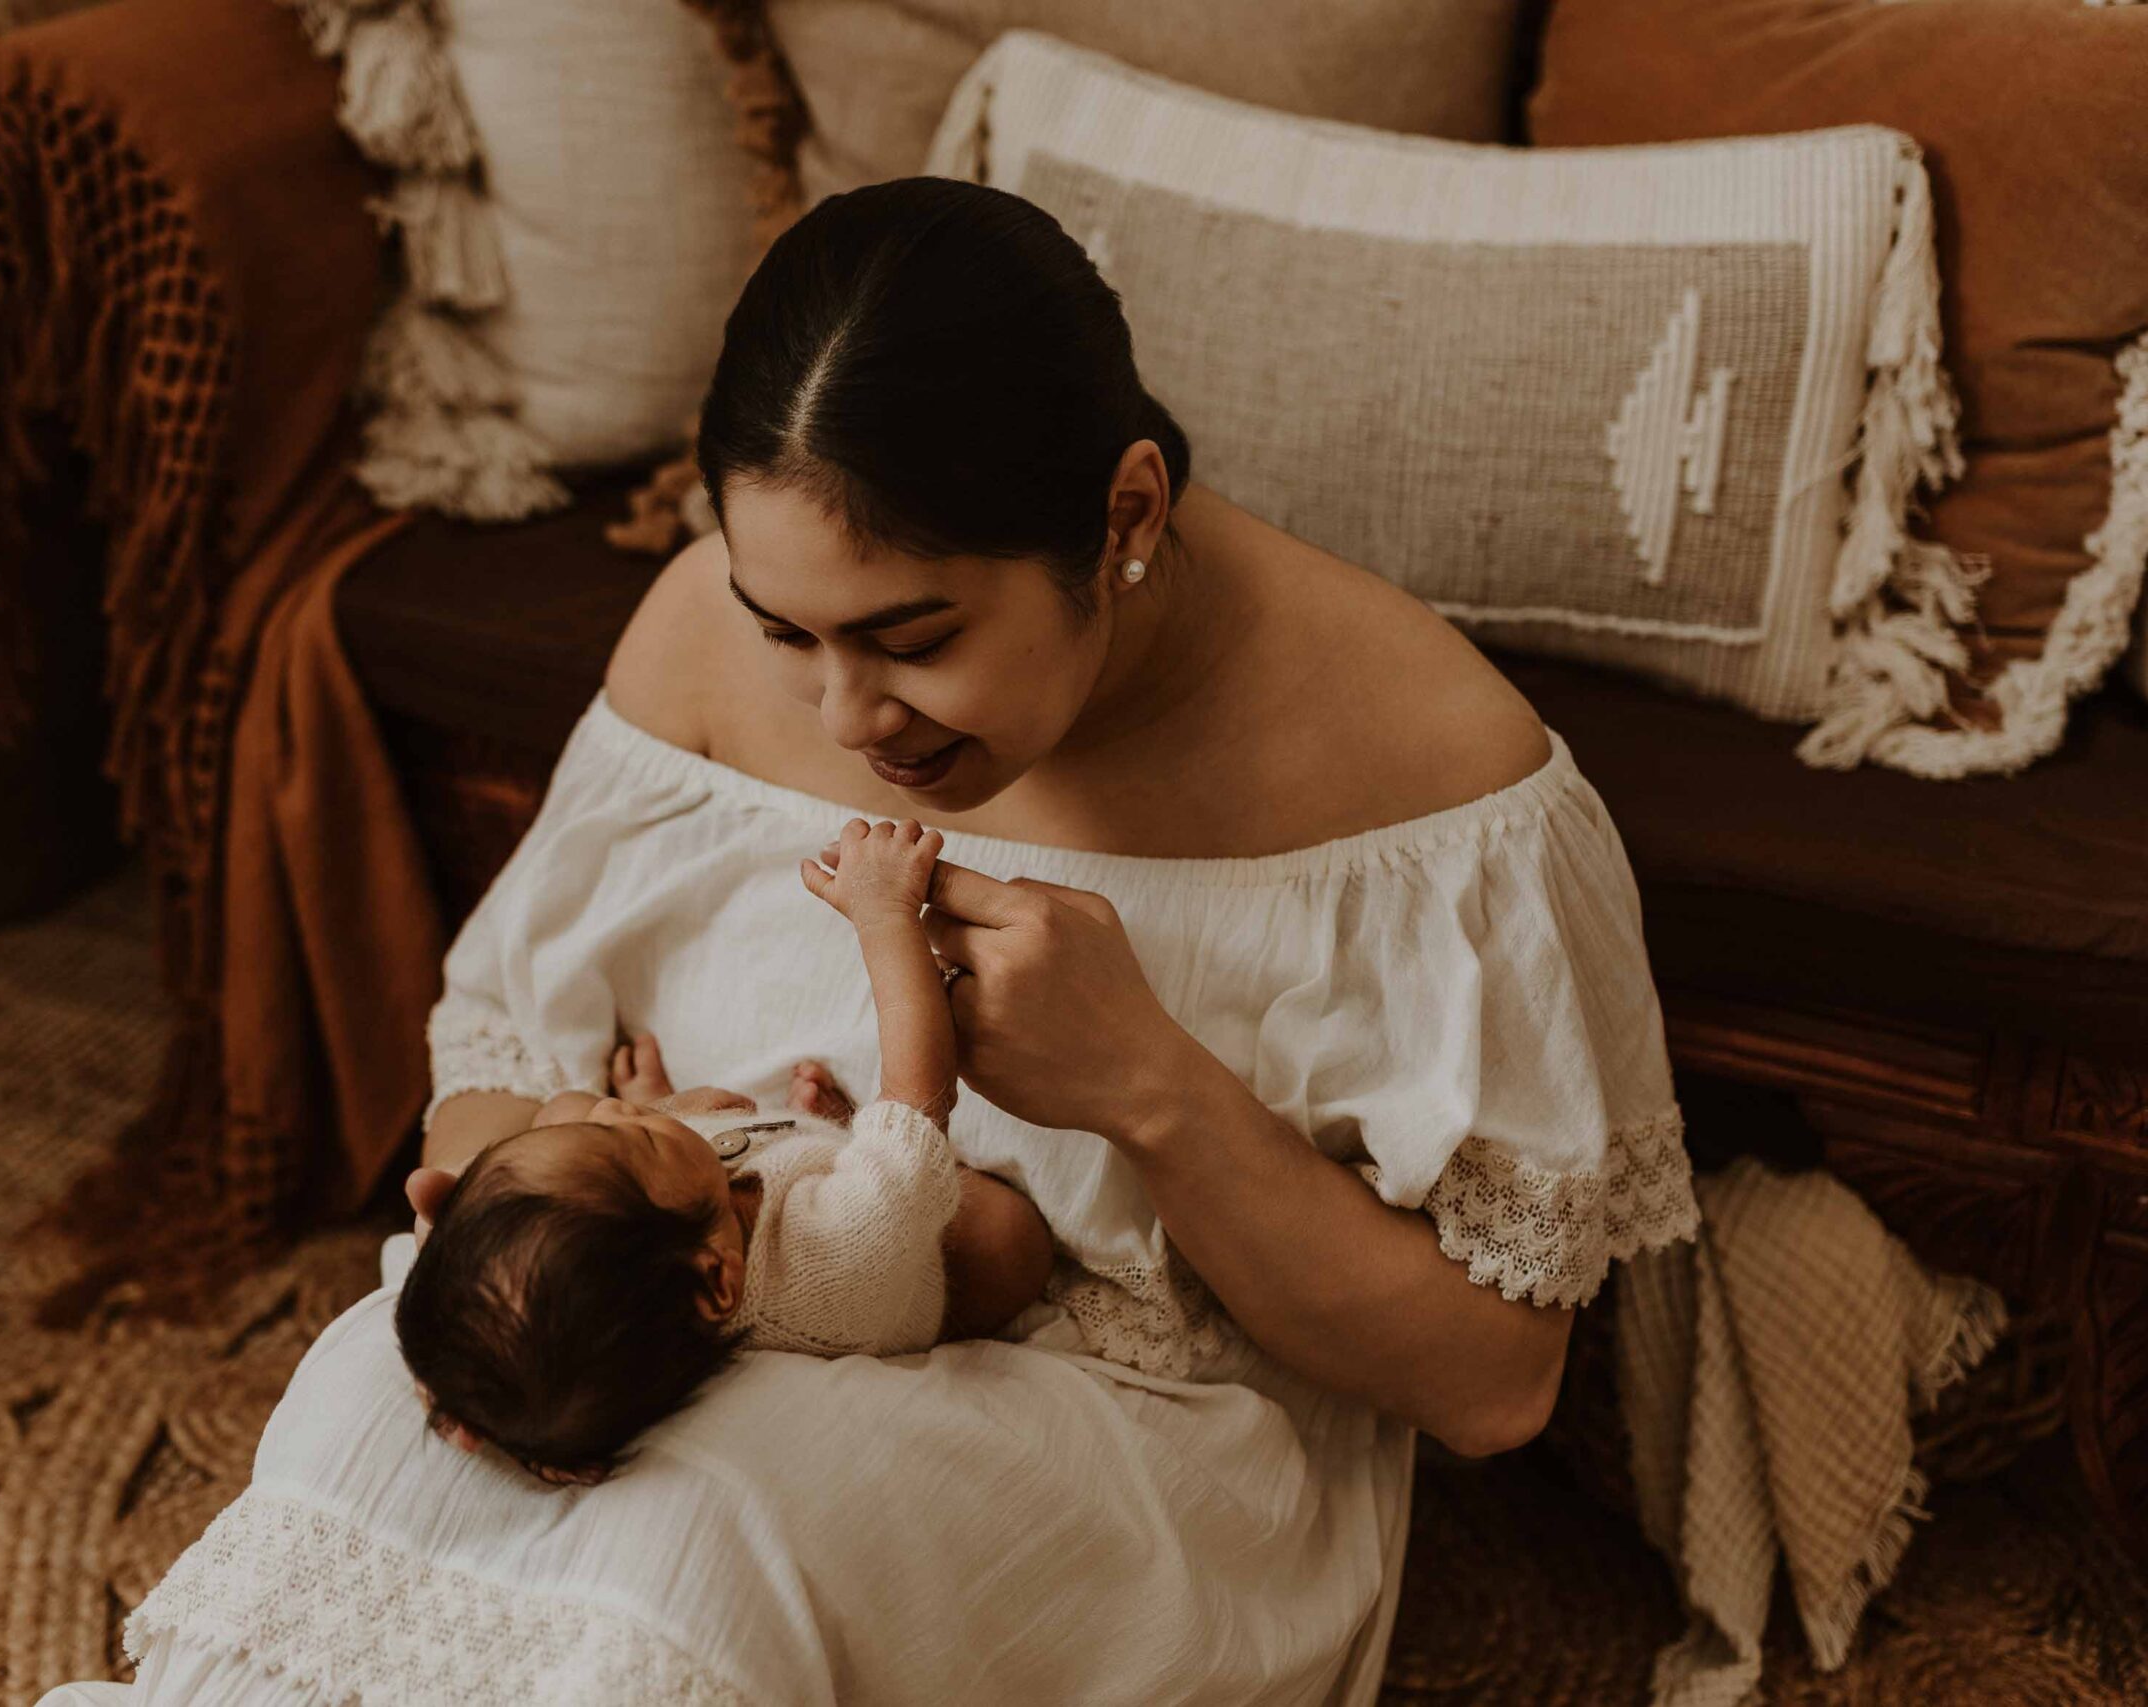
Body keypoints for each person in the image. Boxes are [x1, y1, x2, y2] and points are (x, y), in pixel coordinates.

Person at [118, 176, 1699, 1704]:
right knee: (357, 1414)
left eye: (915, 638)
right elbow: (494, 1056)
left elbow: (1493, 1382)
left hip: (1105, 1423)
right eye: (784, 630)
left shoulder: (1434, 780)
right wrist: (552, 1175)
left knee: (714, 1535)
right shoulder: (695, 632)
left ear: (1125, 514)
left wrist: (1148, 1085)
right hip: (663, 1315)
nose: (844, 717)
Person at [393, 818, 1054, 1488]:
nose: (613, 1109)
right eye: (636, 1135)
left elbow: (588, 1143)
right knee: (1007, 1239)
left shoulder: (665, 1236)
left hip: (747, 1185)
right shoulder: (842, 1253)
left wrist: (653, 1111)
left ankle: (816, 1135)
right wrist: (885, 917)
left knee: (598, 1123)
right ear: (719, 1280)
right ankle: (857, 1151)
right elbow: (918, 1085)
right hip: (934, 1248)